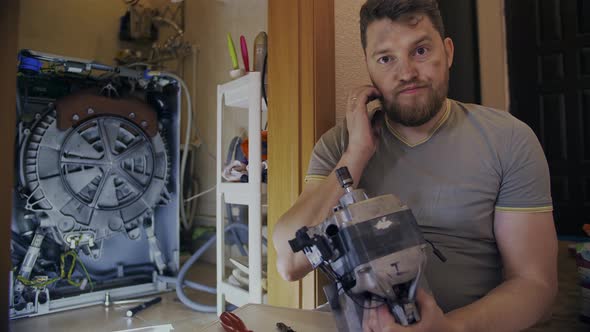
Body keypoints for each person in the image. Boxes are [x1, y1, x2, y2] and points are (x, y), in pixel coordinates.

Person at [272, 0, 558, 331]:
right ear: (369, 69)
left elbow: (535, 284)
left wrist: (449, 329)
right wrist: (356, 155)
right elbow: (289, 262)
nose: (406, 73)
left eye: (420, 51)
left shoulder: (509, 140)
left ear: (448, 53)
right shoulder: (339, 147)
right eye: (386, 59)